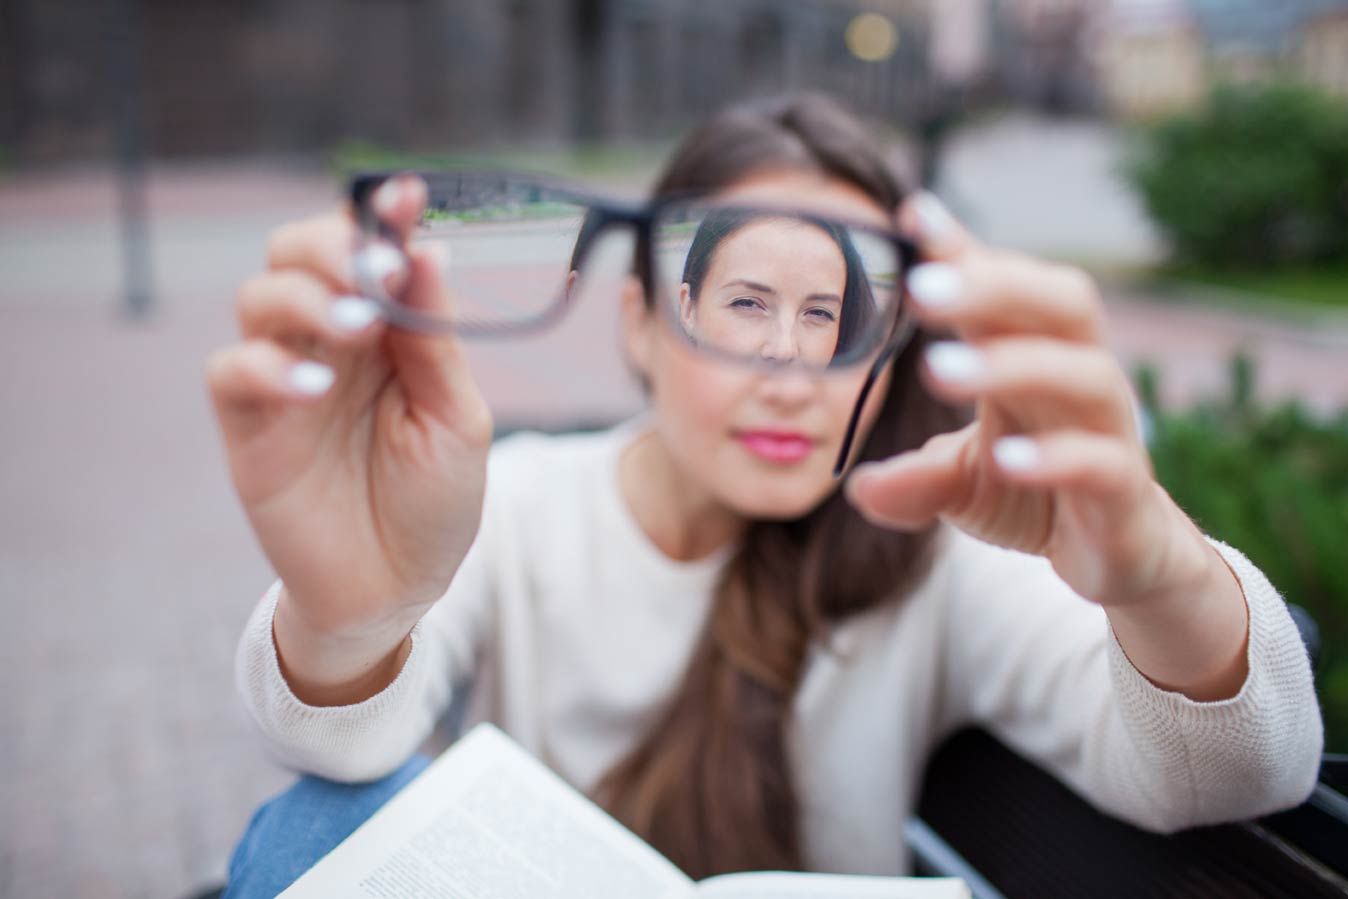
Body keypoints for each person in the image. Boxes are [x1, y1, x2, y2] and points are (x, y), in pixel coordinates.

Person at [206, 94, 1322, 897]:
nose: (790, 368)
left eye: (833, 314)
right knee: (315, 827)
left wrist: (1157, 568)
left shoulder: (926, 533)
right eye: (743, 301)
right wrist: (353, 615)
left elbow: (1235, 771)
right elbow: (338, 748)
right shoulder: (519, 505)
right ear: (640, 320)